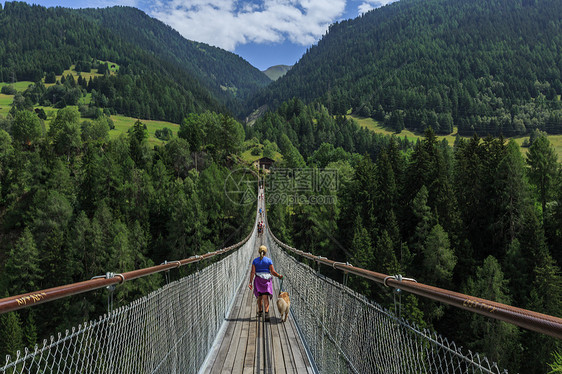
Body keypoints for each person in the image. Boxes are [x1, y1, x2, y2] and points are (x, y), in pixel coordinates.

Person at [249, 245, 283, 321]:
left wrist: (250, 282)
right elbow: (273, 272)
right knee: (265, 298)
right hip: (266, 281)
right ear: (266, 252)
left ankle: (260, 312)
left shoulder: (255, 261)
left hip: (258, 280)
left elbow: (253, 272)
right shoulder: (269, 260)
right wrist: (279, 276)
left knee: (259, 297)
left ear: (259, 252)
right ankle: (266, 314)